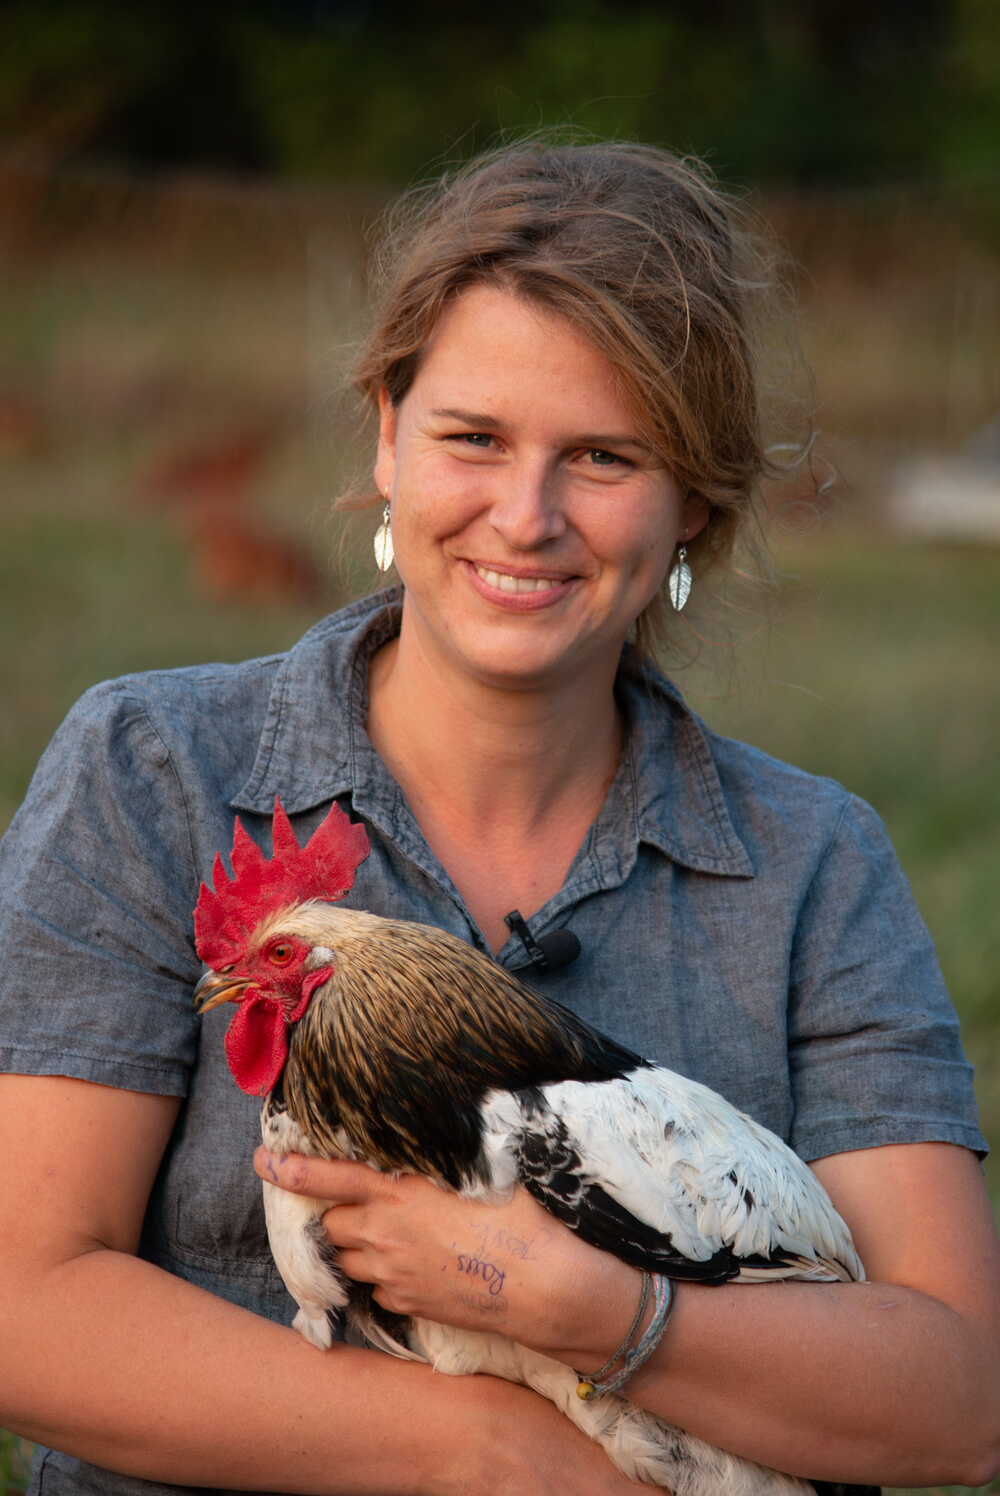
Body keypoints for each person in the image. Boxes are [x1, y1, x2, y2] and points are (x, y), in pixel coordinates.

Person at [0, 141, 997, 1496]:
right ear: (388, 438)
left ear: (693, 501)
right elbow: (25, 1306)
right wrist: (489, 1452)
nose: (525, 519)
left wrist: (600, 1312)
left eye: (603, 456)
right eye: (474, 438)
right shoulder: (151, 771)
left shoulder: (812, 865)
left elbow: (953, 1401)